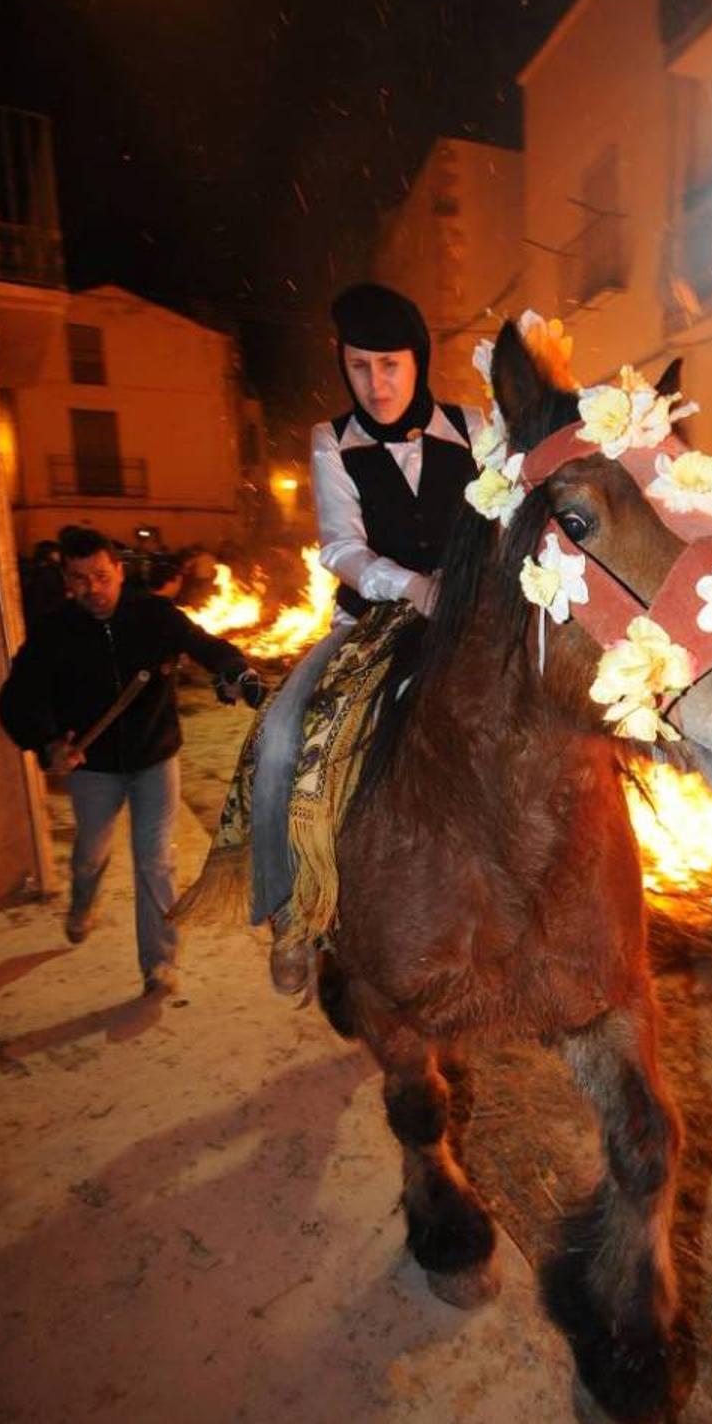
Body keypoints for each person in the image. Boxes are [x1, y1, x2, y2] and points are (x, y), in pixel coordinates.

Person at [252, 282, 485, 994]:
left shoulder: (475, 425)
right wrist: (411, 585)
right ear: (342, 367)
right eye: (359, 367)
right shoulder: (332, 441)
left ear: (418, 361)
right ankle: (292, 911)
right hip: (371, 622)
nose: (376, 384)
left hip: (468, 621)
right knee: (283, 739)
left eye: (389, 365)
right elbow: (340, 548)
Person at [0, 525, 263, 996]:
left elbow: (205, 645)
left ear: (119, 571)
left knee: (155, 861)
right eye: (80, 579)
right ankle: (83, 903)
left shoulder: (154, 615)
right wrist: (48, 742)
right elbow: (18, 697)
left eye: (101, 576)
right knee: (88, 857)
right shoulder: (54, 632)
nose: (93, 590)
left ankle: (158, 963)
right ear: (67, 582)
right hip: (92, 769)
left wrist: (235, 669)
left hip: (154, 759)